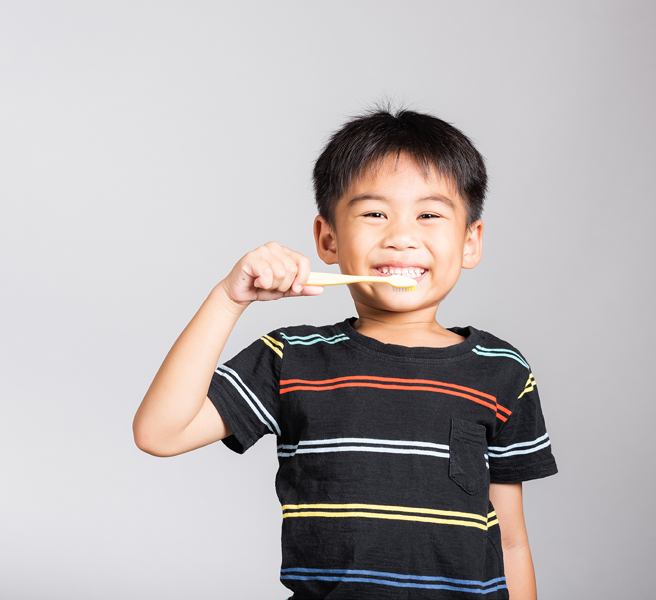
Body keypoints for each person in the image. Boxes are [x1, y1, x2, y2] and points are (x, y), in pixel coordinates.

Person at [133, 107, 557, 600]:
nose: (401, 236)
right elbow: (159, 433)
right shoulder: (292, 358)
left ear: (470, 242)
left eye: (429, 214)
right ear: (327, 240)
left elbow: (509, 539)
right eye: (374, 213)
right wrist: (229, 299)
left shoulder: (503, 370)